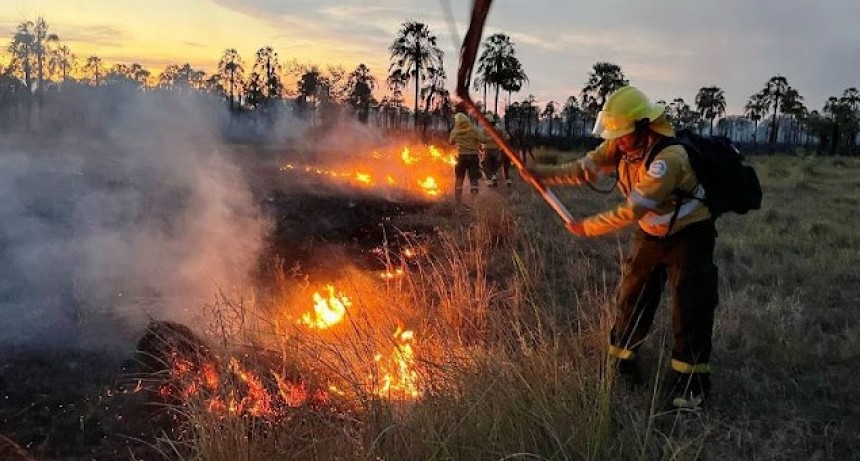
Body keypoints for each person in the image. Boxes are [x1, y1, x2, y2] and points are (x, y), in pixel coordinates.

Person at [531, 86, 719, 410]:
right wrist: (541, 174)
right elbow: (583, 169)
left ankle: (692, 390)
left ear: (644, 127)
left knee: (689, 308)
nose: (618, 142)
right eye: (614, 135)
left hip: (689, 236)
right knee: (632, 297)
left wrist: (585, 227)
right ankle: (622, 366)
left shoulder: (669, 159)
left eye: (623, 135)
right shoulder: (620, 144)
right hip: (651, 234)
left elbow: (631, 211)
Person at [449, 112, 483, 202]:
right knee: (473, 178)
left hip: (462, 157)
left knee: (459, 178)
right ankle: (474, 200)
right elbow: (483, 139)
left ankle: (458, 200)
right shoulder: (474, 129)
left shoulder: (456, 130)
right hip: (473, 157)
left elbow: (451, 142)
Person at [480, 113, 514, 187]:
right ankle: (494, 176)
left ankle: (489, 180)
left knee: (485, 164)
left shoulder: (483, 130)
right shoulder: (499, 129)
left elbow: (482, 140)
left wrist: (488, 139)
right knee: (495, 165)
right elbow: (507, 137)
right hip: (497, 150)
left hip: (487, 150)